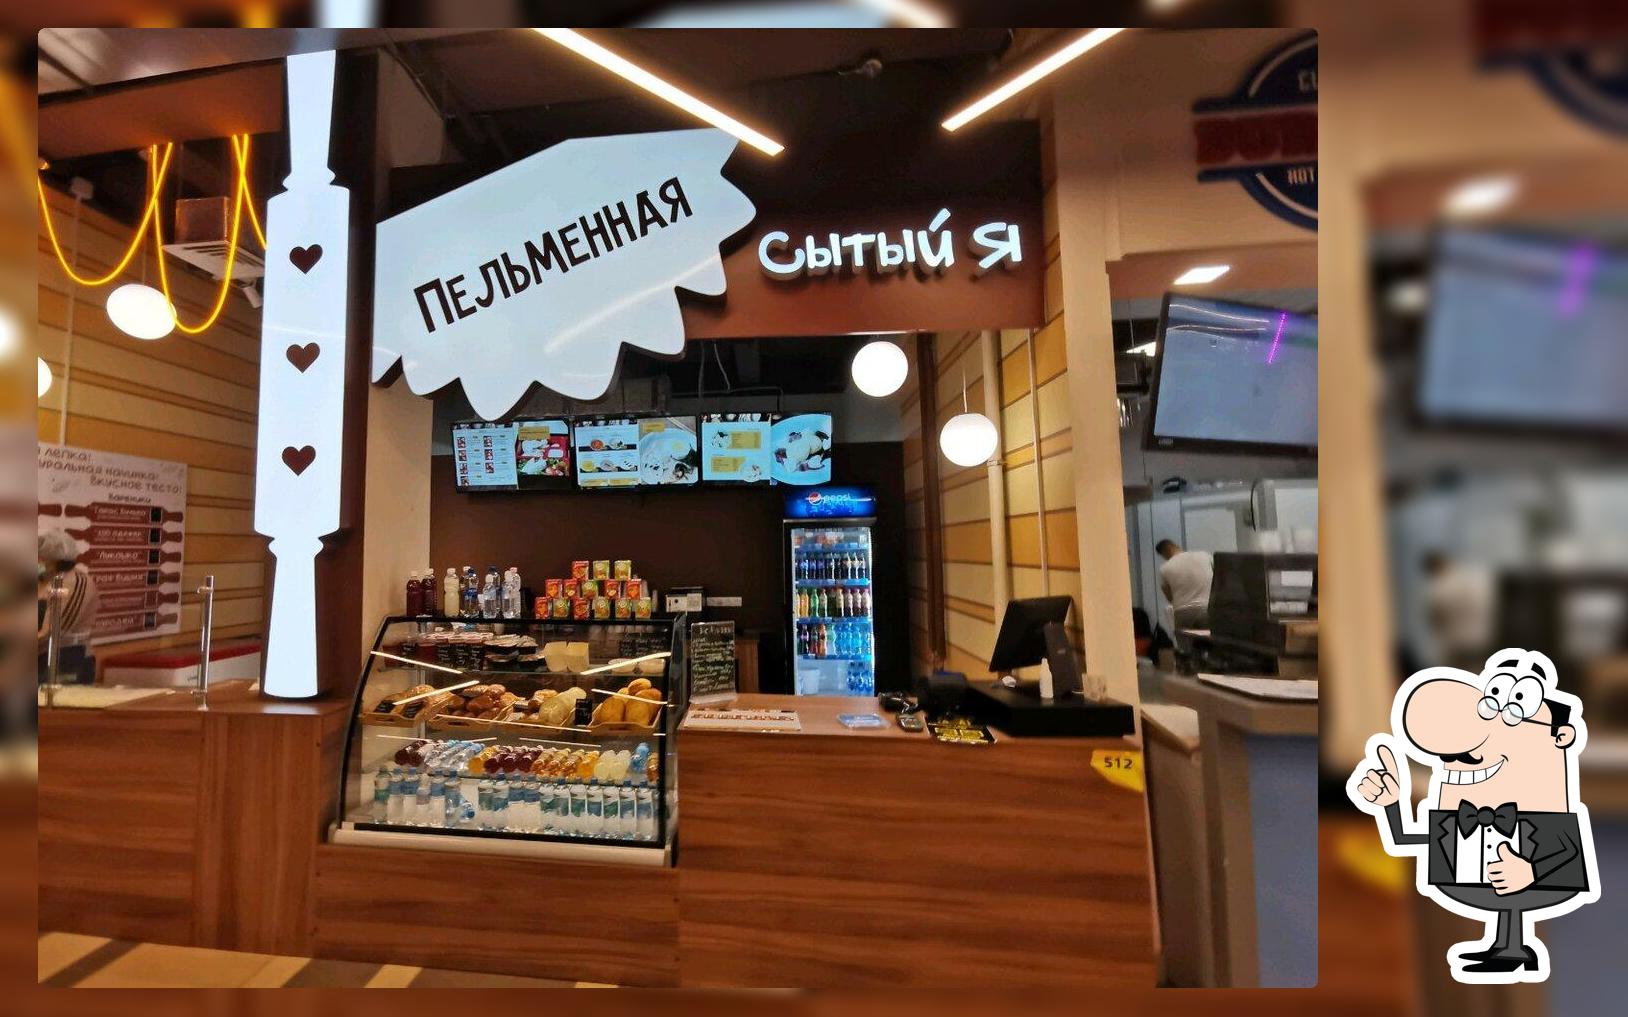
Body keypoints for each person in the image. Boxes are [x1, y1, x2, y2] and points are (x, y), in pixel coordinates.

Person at [1349, 649, 1597, 982]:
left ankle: (1512, 949)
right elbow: (1404, 839)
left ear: (1560, 737)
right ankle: (1504, 946)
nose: (1459, 759)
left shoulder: (1547, 814)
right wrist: (1392, 802)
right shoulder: (1458, 813)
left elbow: (1568, 854)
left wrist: (1531, 871)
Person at [38, 530, 99, 684]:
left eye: (40, 557)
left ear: (56, 559)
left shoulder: (76, 582)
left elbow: (55, 630)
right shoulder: (40, 580)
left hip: (67, 659)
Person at [1421, 550, 1495, 672]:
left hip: (1457, 644)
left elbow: (1436, 618)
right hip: (1480, 639)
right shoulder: (1471, 576)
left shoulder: (1439, 588)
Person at [1155, 539, 1213, 631]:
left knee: (1185, 640)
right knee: (1209, 639)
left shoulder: (1164, 568)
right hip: (1206, 608)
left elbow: (1169, 597)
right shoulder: (1205, 556)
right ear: (1175, 546)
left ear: (1164, 552)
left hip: (1182, 612)